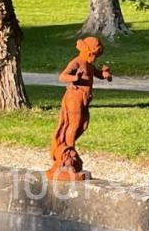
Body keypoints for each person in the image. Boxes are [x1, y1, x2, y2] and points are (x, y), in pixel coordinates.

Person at [47, 36, 111, 181]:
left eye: (97, 56)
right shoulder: (76, 62)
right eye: (94, 55)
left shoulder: (88, 64)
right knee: (73, 125)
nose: (95, 58)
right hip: (74, 97)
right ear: (87, 51)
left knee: (82, 125)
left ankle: (66, 150)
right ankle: (68, 154)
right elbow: (62, 77)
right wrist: (75, 78)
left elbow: (98, 74)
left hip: (84, 99)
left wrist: (105, 74)